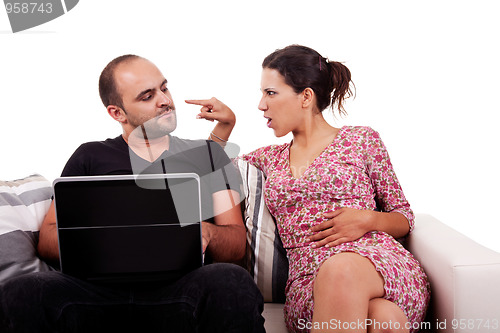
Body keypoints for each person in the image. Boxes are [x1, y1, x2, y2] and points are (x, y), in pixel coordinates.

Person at [0, 55, 264, 333]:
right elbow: (48, 238)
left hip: (180, 292)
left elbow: (236, 244)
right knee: (21, 291)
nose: (164, 100)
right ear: (117, 113)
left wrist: (207, 233)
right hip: (95, 295)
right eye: (148, 96)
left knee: (232, 280)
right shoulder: (89, 156)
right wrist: (109, 237)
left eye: (164, 88)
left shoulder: (208, 155)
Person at [190, 45, 430, 333]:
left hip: (378, 263)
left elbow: (403, 215)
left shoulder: (362, 140)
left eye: (271, 93)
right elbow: (210, 169)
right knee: (384, 320)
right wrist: (226, 125)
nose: (261, 105)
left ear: (305, 96)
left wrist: (366, 219)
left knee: (342, 270)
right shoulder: (269, 157)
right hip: (309, 281)